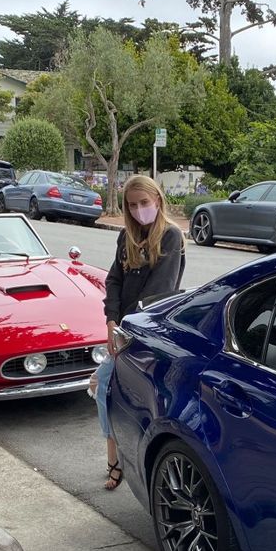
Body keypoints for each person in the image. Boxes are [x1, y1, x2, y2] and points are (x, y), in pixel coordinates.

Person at [92, 174, 183, 490]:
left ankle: (124, 463)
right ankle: (117, 460)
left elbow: (158, 293)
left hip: (147, 332)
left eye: (144, 202)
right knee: (107, 390)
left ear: (157, 199)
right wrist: (111, 320)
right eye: (132, 205)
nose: (138, 210)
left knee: (112, 389)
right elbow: (114, 280)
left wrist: (123, 330)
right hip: (123, 330)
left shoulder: (170, 237)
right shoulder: (127, 237)